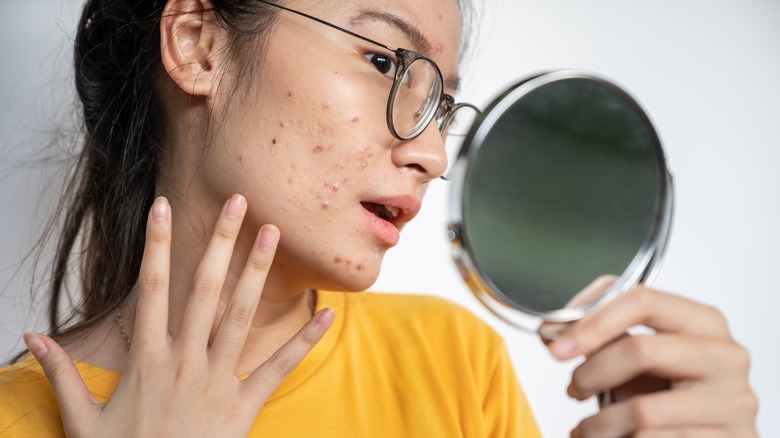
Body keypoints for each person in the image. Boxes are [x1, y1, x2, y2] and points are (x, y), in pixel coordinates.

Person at [0, 0, 758, 436]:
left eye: (440, 102)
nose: (430, 151)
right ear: (197, 44)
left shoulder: (454, 366)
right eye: (386, 62)